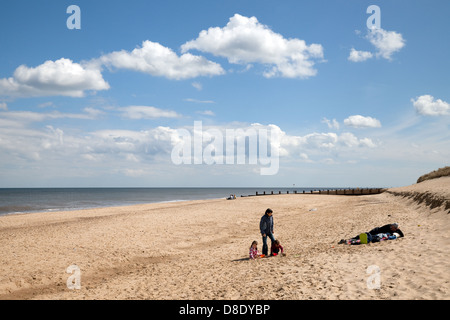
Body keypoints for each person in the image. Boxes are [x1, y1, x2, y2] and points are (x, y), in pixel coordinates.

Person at [339, 223, 404, 244]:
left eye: (395, 229)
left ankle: (349, 240)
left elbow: (402, 235)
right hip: (376, 231)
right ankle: (351, 239)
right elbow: (381, 232)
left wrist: (398, 229)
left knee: (368, 237)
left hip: (378, 234)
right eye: (394, 228)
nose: (394, 229)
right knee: (366, 235)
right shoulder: (388, 226)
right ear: (392, 226)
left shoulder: (395, 230)